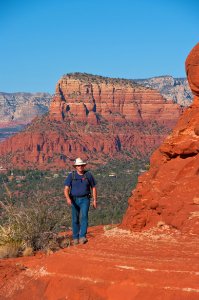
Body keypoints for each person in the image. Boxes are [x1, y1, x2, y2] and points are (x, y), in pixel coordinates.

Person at [64, 158, 97, 245]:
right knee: (75, 219)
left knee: (84, 217)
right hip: (74, 200)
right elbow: (66, 189)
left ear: (84, 166)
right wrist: (68, 198)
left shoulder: (88, 175)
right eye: (78, 165)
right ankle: (75, 237)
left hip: (85, 199)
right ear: (76, 167)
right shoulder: (71, 175)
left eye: (82, 165)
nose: (80, 167)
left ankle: (82, 236)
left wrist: (94, 200)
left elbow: (93, 187)